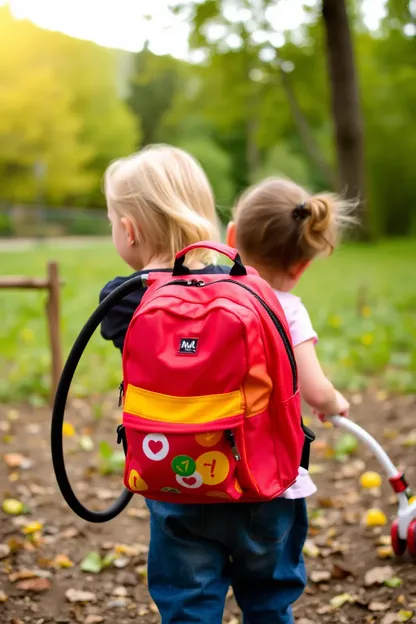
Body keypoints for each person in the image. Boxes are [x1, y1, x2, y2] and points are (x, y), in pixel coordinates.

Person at [100, 151, 351, 623]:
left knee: (188, 602)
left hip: (177, 478)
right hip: (266, 481)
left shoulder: (123, 298)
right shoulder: (258, 290)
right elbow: (313, 387)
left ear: (129, 230)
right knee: (270, 598)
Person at [227, 176, 352, 502]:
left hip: (205, 463)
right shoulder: (289, 311)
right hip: (268, 474)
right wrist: (335, 401)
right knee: (272, 553)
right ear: (301, 266)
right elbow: (316, 392)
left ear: (231, 237)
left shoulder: (212, 296)